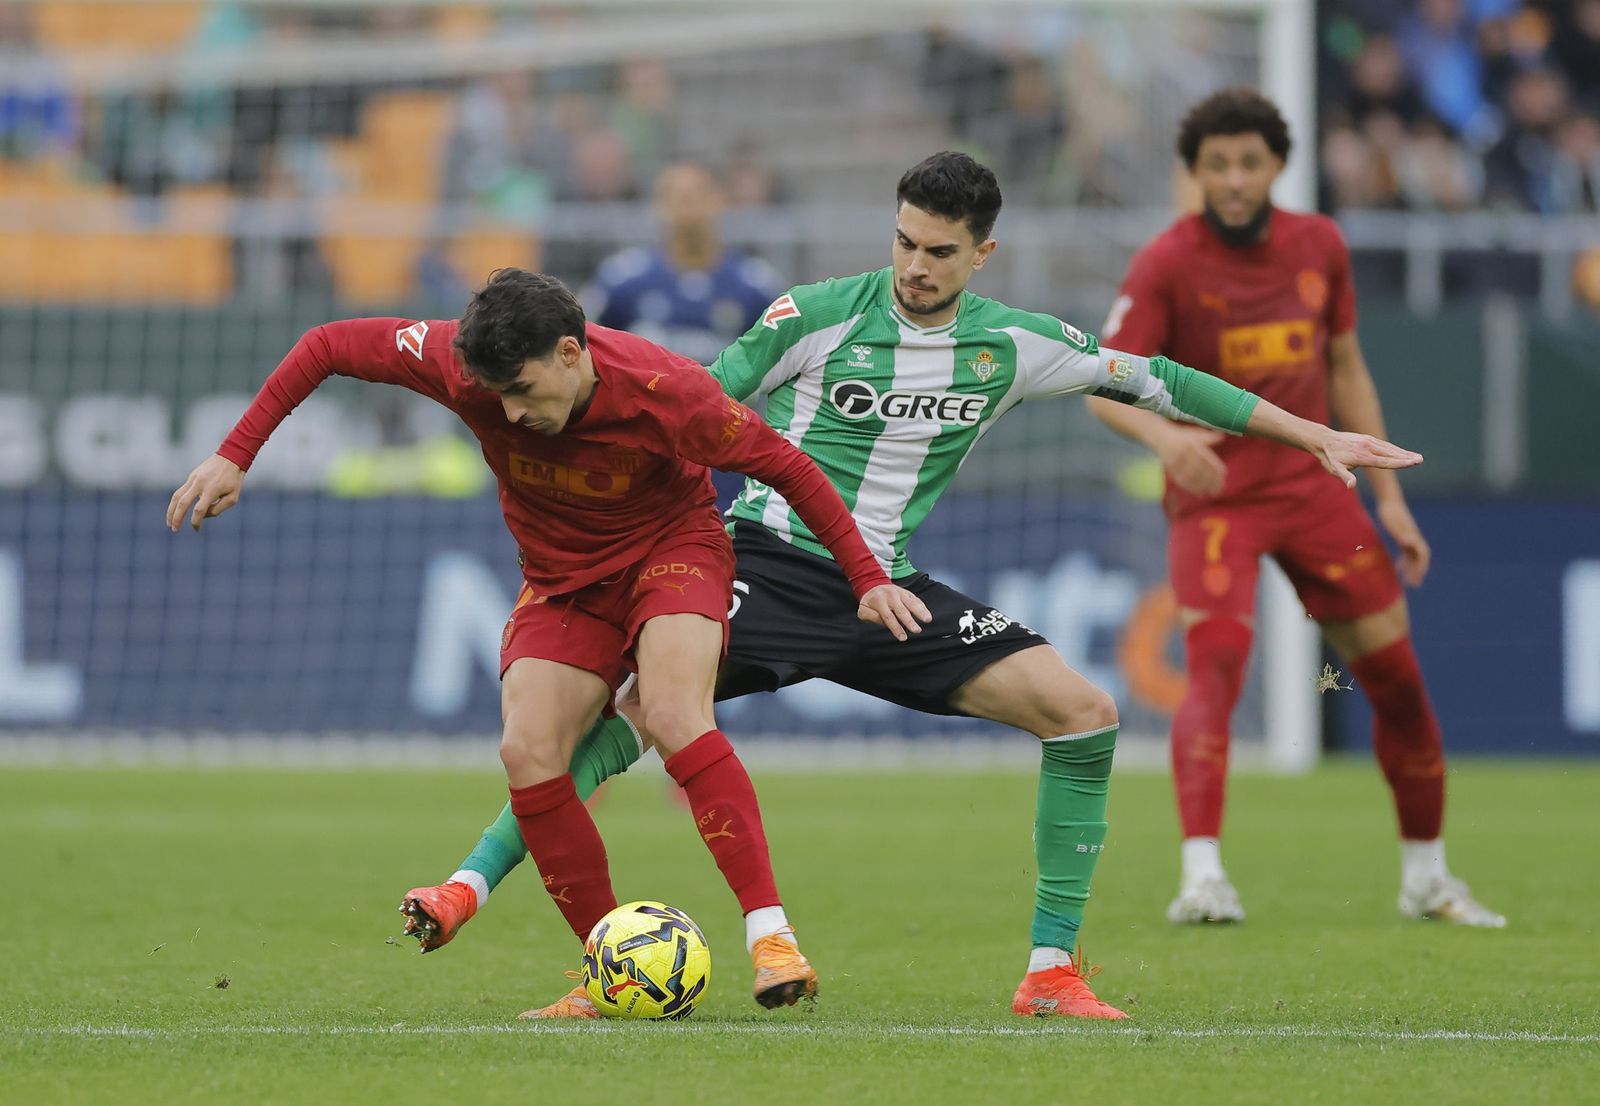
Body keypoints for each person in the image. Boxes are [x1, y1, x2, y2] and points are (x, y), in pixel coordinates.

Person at [399, 151, 1423, 1020]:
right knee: (630, 719)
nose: (916, 267)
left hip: (885, 591)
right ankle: (488, 900)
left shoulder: (1011, 344)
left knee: (1083, 712)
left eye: (939, 251)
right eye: (904, 243)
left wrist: (1312, 433)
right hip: (762, 562)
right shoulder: (811, 315)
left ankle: (1050, 973)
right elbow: (693, 408)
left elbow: (1158, 379)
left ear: (983, 254)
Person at [166, 269, 932, 1018]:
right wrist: (236, 453)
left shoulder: (666, 390)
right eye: (495, 392)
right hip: (564, 581)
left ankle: (772, 939)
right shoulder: (461, 365)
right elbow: (328, 344)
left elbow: (789, 467)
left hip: (672, 551)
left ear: (571, 353)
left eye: (522, 390)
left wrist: (866, 579)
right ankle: (607, 970)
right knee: (527, 752)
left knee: (673, 712)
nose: (510, 411)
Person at [1087, 89, 1504, 928]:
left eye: (1250, 162)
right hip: (1217, 501)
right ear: (1196, 173)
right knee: (1216, 665)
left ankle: (1428, 878)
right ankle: (1203, 877)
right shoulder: (1166, 262)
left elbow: (1347, 369)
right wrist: (1166, 440)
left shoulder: (1320, 246)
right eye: (1217, 165)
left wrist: (1391, 499)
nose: (1235, 180)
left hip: (1320, 493)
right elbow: (1103, 383)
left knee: (1397, 681)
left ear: (1278, 164)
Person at [582, 160, 781, 365]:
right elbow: (586, 346)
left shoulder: (756, 284)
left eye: (699, 195)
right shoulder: (621, 279)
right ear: (658, 206)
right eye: (679, 197)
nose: (690, 207)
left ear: (720, 201)